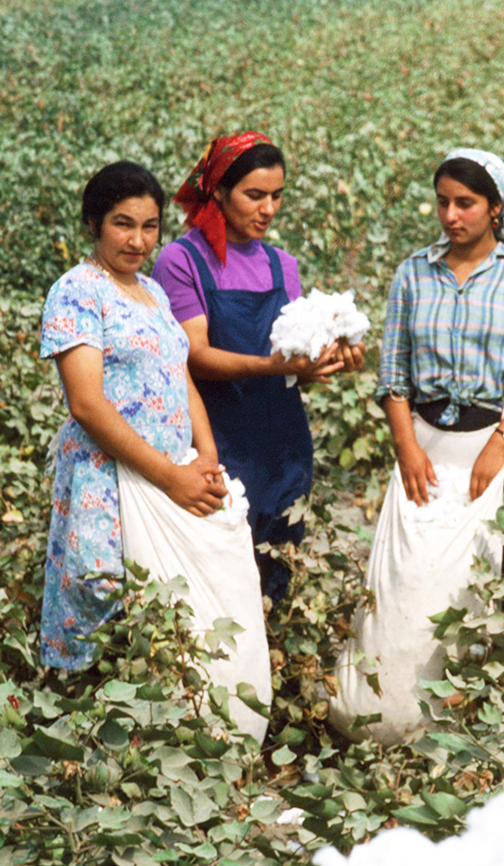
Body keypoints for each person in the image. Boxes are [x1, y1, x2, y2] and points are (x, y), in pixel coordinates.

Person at [329, 148, 504, 744]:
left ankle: (472, 727)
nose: (451, 216)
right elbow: (394, 378)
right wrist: (407, 448)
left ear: (495, 208)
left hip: (496, 447)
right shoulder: (414, 273)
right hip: (425, 447)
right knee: (406, 579)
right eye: (443, 202)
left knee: (486, 585)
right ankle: (384, 718)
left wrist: (499, 445)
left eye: (466, 204)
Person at [39, 162, 271, 736]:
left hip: (172, 470)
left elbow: (180, 374)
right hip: (109, 471)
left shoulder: (151, 292)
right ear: (94, 223)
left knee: (167, 608)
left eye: (150, 226)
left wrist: (207, 457)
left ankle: (163, 739)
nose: (138, 240)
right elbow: (87, 405)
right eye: (123, 224)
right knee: (103, 591)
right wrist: (169, 476)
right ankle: (86, 739)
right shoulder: (76, 290)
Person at [152, 133, 363, 604]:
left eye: (277, 196)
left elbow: (291, 350)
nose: (268, 209)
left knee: (277, 572)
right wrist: (272, 365)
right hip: (218, 441)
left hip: (284, 443)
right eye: (254, 195)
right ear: (219, 192)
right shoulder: (181, 260)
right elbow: (194, 356)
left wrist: (328, 359)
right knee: (220, 576)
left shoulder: (281, 265)